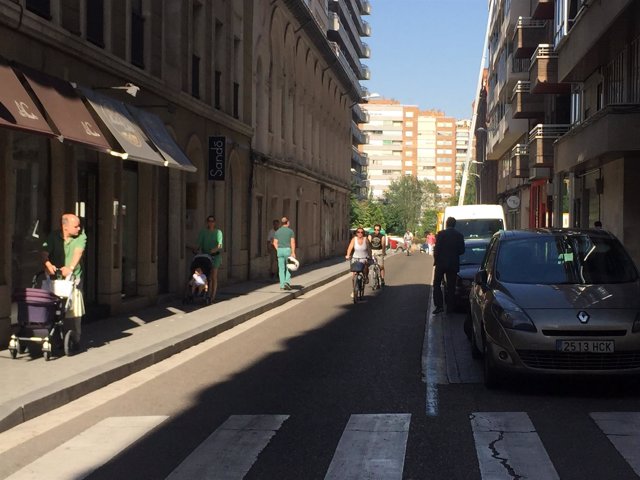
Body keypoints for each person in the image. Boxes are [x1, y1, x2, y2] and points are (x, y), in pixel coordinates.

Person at [41, 213, 86, 346]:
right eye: (76, 226)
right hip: (55, 278)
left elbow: (79, 252)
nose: (79, 229)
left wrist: (70, 267)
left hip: (73, 278)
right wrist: (48, 264)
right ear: (65, 227)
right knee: (53, 307)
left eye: (79, 226)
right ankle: (54, 336)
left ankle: (75, 338)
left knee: (73, 309)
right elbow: (44, 252)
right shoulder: (53, 236)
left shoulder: (81, 236)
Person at [432, 216, 465, 314]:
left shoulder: (441, 234)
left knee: (437, 284)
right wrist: (454, 254)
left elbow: (436, 249)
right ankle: (450, 308)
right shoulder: (459, 235)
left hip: (441, 263)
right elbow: (462, 250)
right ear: (454, 225)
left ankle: (439, 306)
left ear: (446, 224)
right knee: (451, 287)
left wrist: (436, 260)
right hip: (453, 264)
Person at [196, 215, 223, 303]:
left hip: (215, 256)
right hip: (205, 256)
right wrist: (195, 248)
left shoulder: (218, 232)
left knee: (213, 276)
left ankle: (213, 296)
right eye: (209, 221)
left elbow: (220, 244)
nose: (211, 223)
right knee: (206, 276)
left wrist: (215, 249)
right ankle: (206, 293)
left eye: (212, 221)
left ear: (215, 223)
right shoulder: (203, 232)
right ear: (207, 222)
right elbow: (199, 243)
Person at [346, 227, 371, 296]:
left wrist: (370, 256)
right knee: (354, 273)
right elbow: (350, 248)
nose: (360, 233)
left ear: (363, 233)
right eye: (358, 232)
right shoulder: (354, 239)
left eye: (361, 232)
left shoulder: (366, 239)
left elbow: (369, 248)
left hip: (364, 257)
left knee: (365, 267)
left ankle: (366, 277)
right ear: (356, 233)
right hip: (355, 258)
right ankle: (354, 290)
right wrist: (348, 255)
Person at [273, 216, 296, 290]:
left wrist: (278, 249)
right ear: (288, 222)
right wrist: (293, 252)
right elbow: (292, 242)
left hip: (280, 250)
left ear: (281, 223)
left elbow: (274, 243)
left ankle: (282, 285)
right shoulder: (290, 231)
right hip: (287, 250)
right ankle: (287, 282)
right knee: (289, 267)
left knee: (281, 269)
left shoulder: (277, 231)